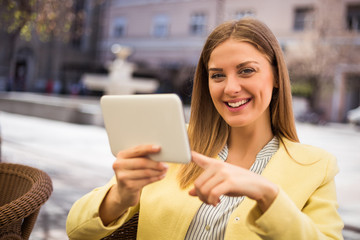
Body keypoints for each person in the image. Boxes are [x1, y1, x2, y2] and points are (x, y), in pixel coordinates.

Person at [66, 18, 344, 239]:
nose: (231, 88)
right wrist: (119, 196)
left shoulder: (315, 166)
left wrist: (267, 195)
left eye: (246, 70)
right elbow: (76, 229)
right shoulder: (170, 143)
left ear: (276, 77)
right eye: (217, 75)